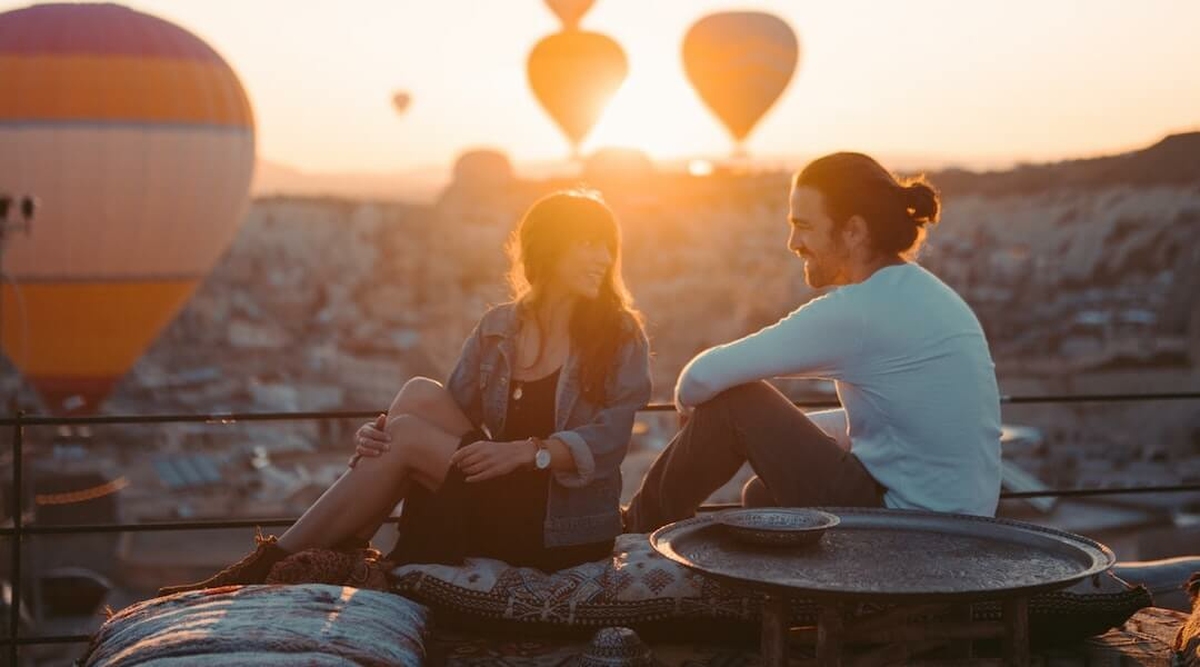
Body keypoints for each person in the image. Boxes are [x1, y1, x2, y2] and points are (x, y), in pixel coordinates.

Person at [159, 189, 651, 596]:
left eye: (608, 245)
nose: (604, 258)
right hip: (495, 491)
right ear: (549, 247)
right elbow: (448, 410)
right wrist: (380, 439)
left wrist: (529, 453)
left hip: (558, 523)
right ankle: (330, 550)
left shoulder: (618, 334)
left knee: (410, 436)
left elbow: (610, 441)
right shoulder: (499, 327)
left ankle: (266, 568)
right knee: (414, 397)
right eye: (589, 243)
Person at [623, 152, 1002, 534]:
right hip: (958, 528)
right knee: (762, 497)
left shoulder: (860, 310)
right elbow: (899, 425)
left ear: (854, 231)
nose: (793, 243)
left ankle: (635, 527)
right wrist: (777, 433)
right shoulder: (926, 295)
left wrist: (694, 406)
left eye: (803, 226)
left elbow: (703, 376)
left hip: (907, 530)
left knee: (736, 402)